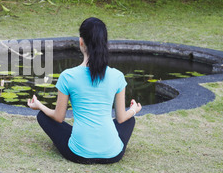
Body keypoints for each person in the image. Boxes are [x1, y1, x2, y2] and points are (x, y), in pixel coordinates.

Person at [27, 17, 142, 164]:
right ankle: (104, 142)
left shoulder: (68, 76)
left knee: (43, 116)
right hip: (113, 154)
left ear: (81, 42)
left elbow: (58, 117)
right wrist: (133, 110)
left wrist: (39, 106)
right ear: (105, 43)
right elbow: (121, 118)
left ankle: (85, 140)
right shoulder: (117, 76)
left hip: (78, 154)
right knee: (129, 120)